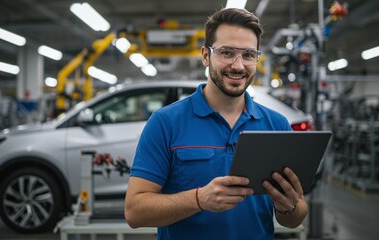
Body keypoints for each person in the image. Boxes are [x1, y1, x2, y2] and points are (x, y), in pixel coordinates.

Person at [125, 7, 308, 240]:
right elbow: (134, 212)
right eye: (227, 53)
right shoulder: (165, 123)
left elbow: (297, 215)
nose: (238, 65)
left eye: (249, 55)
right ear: (205, 56)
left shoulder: (277, 124)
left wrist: (288, 207)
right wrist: (199, 199)